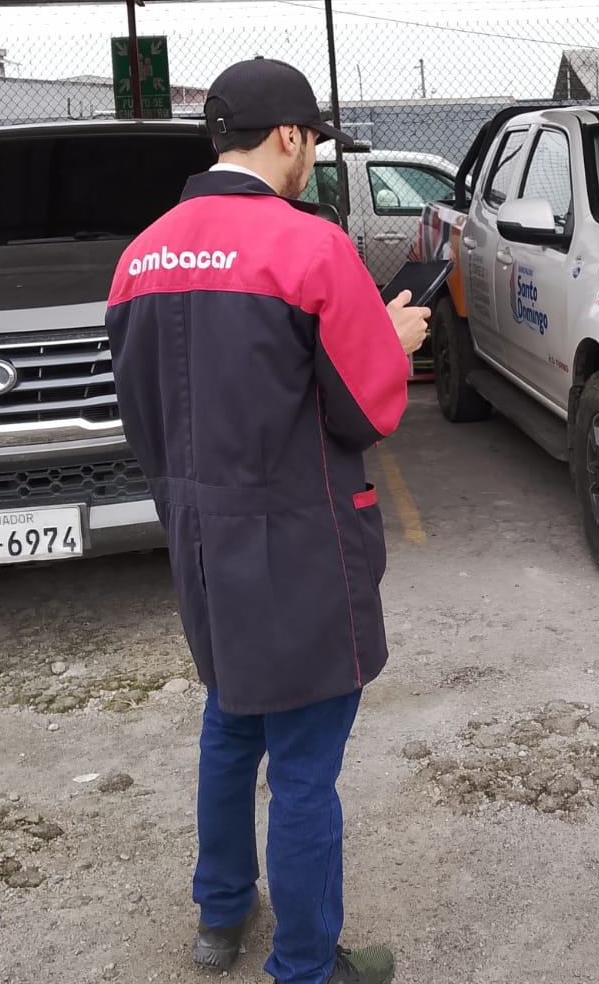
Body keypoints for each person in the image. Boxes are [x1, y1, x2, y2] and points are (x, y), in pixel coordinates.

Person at [106, 56, 430, 983]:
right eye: (313, 140)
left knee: (231, 720)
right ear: (288, 135)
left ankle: (221, 915)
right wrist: (392, 342)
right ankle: (305, 965)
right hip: (300, 541)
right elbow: (362, 412)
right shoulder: (309, 247)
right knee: (304, 770)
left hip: (200, 539)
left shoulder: (140, 257)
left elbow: (142, 416)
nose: (313, 156)